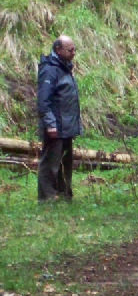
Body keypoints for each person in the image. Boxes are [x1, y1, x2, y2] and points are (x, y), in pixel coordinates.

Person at [37, 35, 82, 202]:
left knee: (65, 163)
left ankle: (64, 195)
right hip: (55, 126)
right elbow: (44, 100)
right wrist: (50, 124)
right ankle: (46, 197)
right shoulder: (50, 70)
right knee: (50, 163)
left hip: (66, 126)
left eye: (74, 49)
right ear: (58, 50)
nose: (73, 53)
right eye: (70, 50)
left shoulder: (65, 68)